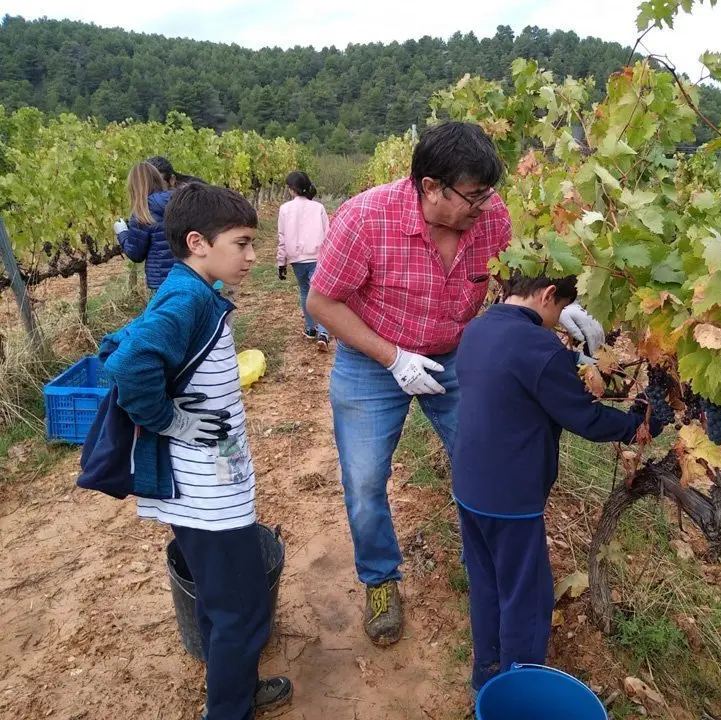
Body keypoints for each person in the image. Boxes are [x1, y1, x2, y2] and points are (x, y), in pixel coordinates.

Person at [305, 121, 606, 647]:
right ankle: (380, 579)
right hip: (371, 362)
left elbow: (518, 281)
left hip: (458, 358)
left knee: (486, 465)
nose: (484, 206)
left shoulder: (493, 217)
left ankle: (487, 574)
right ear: (430, 188)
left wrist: (564, 305)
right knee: (365, 482)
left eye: (489, 193)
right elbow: (321, 302)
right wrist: (394, 358)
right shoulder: (364, 218)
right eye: (473, 195)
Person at [99, 183, 293, 720]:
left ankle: (239, 685)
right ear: (198, 242)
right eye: (243, 243)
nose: (253, 256)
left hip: (212, 479)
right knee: (243, 610)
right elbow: (128, 364)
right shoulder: (187, 297)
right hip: (205, 492)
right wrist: (172, 420)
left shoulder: (193, 290)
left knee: (221, 598)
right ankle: (229, 710)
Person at [452, 271, 644, 696]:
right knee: (526, 598)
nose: (558, 322)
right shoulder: (540, 346)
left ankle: (486, 675)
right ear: (548, 295)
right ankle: (519, 692)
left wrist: (577, 362)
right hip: (510, 496)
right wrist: (635, 424)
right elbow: (585, 418)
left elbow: (517, 374)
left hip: (469, 485)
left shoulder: (479, 327)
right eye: (559, 311)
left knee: (487, 586)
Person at [277, 171, 331, 349]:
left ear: (292, 189)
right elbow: (328, 233)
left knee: (305, 292)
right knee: (320, 293)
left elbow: (282, 237)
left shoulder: (284, 209)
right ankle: (324, 332)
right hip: (317, 256)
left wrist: (281, 263)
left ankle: (310, 329)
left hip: (296, 259)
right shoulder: (319, 208)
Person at [114, 162, 176, 292]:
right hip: (190, 275)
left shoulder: (142, 213)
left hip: (162, 282)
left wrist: (122, 232)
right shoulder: (180, 201)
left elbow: (136, 254)